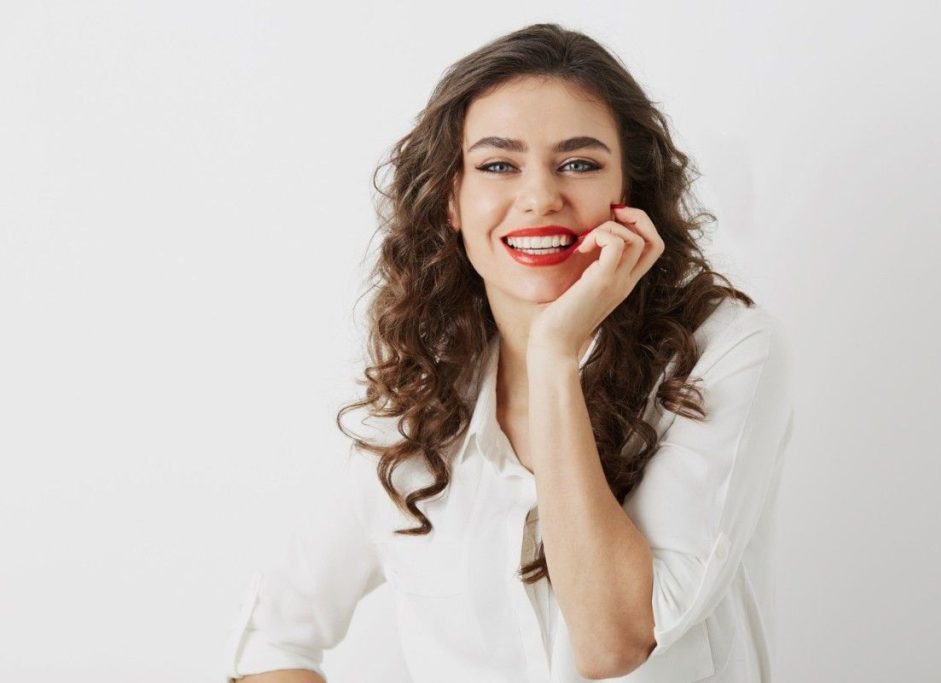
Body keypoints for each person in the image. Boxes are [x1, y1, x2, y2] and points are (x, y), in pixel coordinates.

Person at [222, 22, 795, 683]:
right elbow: (273, 639)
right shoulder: (418, 395)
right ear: (451, 201)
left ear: (629, 194)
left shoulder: (725, 353)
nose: (540, 197)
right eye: (498, 165)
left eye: (579, 163)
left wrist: (554, 355)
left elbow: (618, 643)